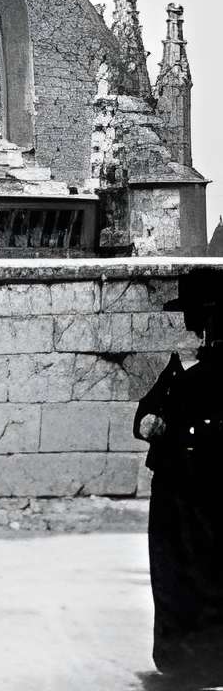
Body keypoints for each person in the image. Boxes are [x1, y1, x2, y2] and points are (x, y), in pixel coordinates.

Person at [138, 265, 223, 679]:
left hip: (207, 487)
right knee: (173, 574)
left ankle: (207, 661)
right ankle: (181, 658)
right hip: (175, 487)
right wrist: (153, 420)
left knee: (207, 573)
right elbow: (146, 413)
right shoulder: (182, 368)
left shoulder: (203, 371)